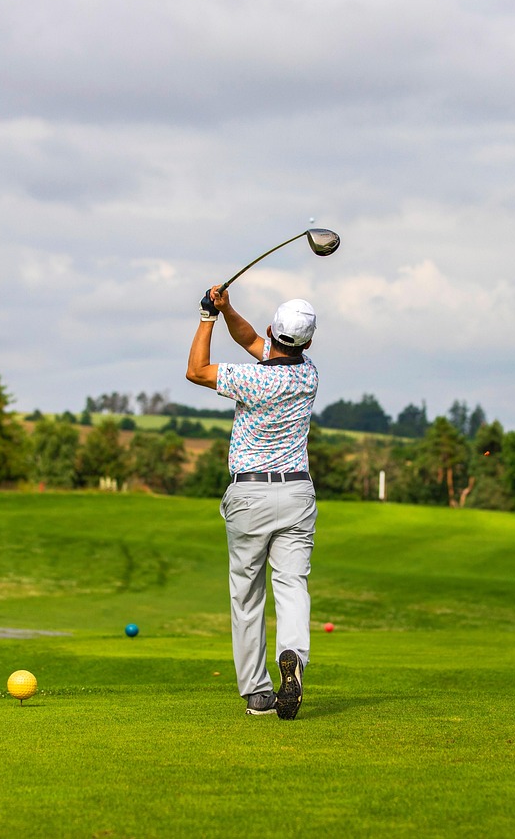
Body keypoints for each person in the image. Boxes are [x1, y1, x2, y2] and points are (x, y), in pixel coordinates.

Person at [186, 285, 319, 720]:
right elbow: (250, 341)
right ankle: (293, 657)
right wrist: (227, 310)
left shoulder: (254, 378)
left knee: (247, 594)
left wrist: (207, 317)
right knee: (292, 584)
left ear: (272, 330)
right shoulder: (309, 374)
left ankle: (259, 694)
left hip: (250, 495)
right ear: (308, 342)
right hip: (297, 492)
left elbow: (197, 370)